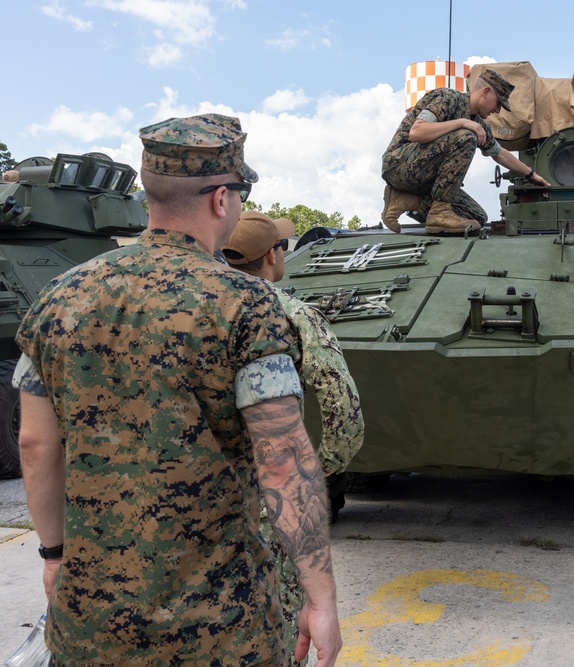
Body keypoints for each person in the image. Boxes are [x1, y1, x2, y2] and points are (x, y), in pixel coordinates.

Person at [15, 114, 343, 667]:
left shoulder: (59, 296)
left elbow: (35, 445)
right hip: (222, 626)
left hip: (92, 622)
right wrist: (321, 596)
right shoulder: (247, 304)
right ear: (222, 199)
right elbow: (282, 458)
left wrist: (54, 554)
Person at [223, 210, 364, 666]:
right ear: (273, 255)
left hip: (195, 498)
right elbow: (342, 407)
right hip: (272, 497)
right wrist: (322, 469)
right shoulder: (294, 314)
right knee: (280, 621)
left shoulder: (190, 304)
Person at [380, 68, 550, 234]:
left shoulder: (478, 123)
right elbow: (417, 132)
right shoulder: (447, 98)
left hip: (425, 180)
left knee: (476, 218)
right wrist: (462, 122)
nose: (497, 110)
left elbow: (499, 153)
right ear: (485, 92)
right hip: (399, 166)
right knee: (467, 137)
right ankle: (439, 212)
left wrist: (532, 175)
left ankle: (406, 200)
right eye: (498, 103)